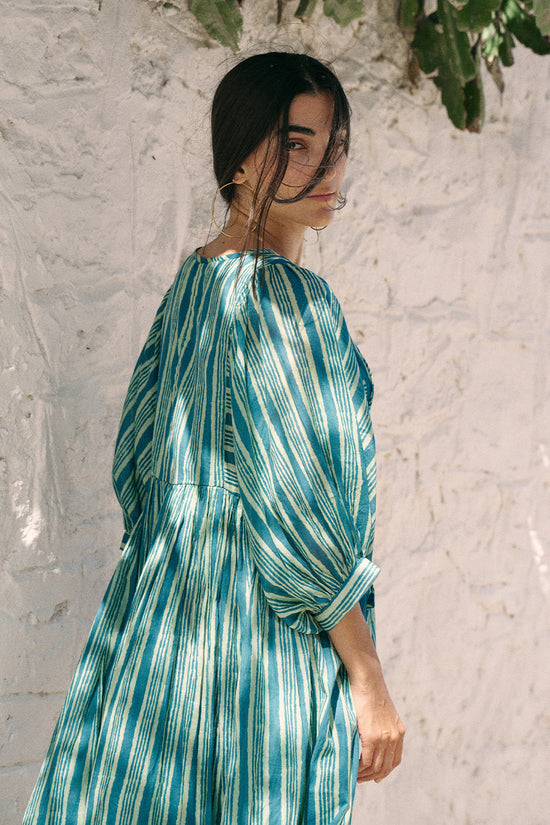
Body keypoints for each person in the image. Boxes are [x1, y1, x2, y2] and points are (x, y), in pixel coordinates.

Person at [23, 52, 404, 825]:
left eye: (334, 142)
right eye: (296, 143)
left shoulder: (192, 285)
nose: (327, 164)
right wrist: (367, 678)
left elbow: (135, 462)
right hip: (259, 654)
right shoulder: (286, 297)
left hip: (157, 638)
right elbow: (296, 510)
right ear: (237, 155)